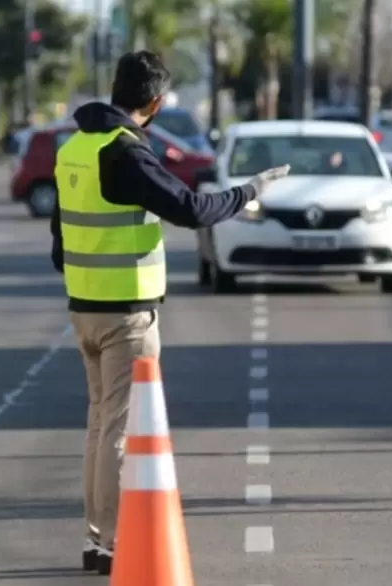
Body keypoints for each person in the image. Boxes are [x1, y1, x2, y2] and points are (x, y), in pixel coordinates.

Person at [50, 50, 289, 576]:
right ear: (155, 103)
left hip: (84, 308)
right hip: (128, 315)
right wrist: (251, 191)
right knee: (117, 429)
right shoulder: (127, 154)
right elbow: (191, 209)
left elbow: (58, 242)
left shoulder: (75, 149)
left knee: (98, 425)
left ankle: (97, 540)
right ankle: (110, 545)